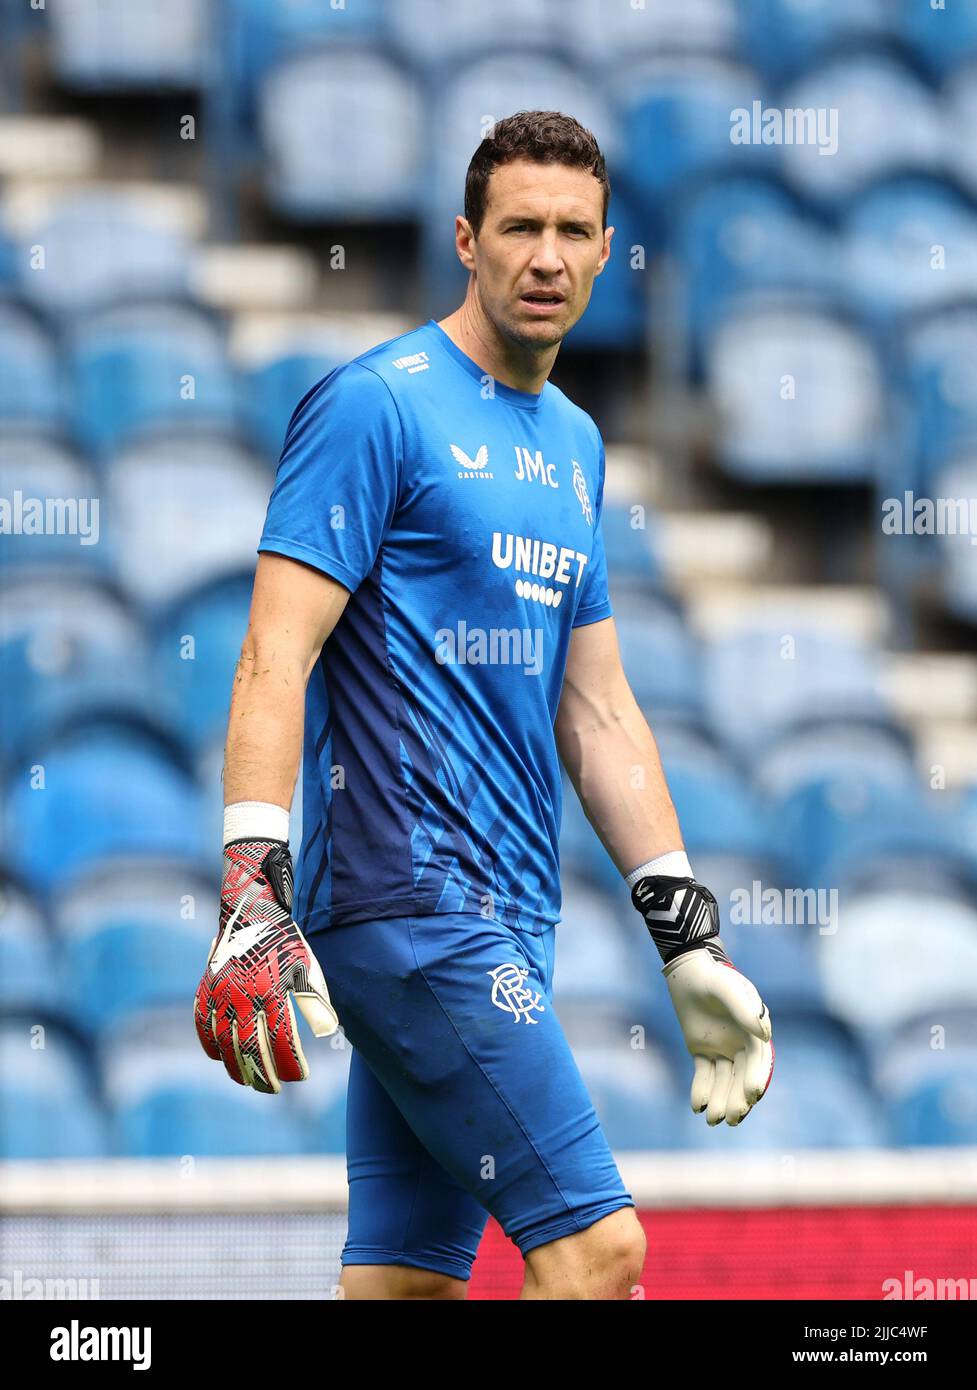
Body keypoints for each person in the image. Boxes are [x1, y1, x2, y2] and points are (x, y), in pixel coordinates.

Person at [194, 110, 774, 1301]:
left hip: (509, 921)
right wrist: (253, 893)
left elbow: (598, 709)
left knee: (404, 1291)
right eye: (519, 228)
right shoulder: (376, 405)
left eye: (573, 231)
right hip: (413, 912)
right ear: (467, 239)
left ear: (608, 249)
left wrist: (685, 931)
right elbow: (270, 657)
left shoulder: (574, 443)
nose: (545, 257)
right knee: (598, 1256)